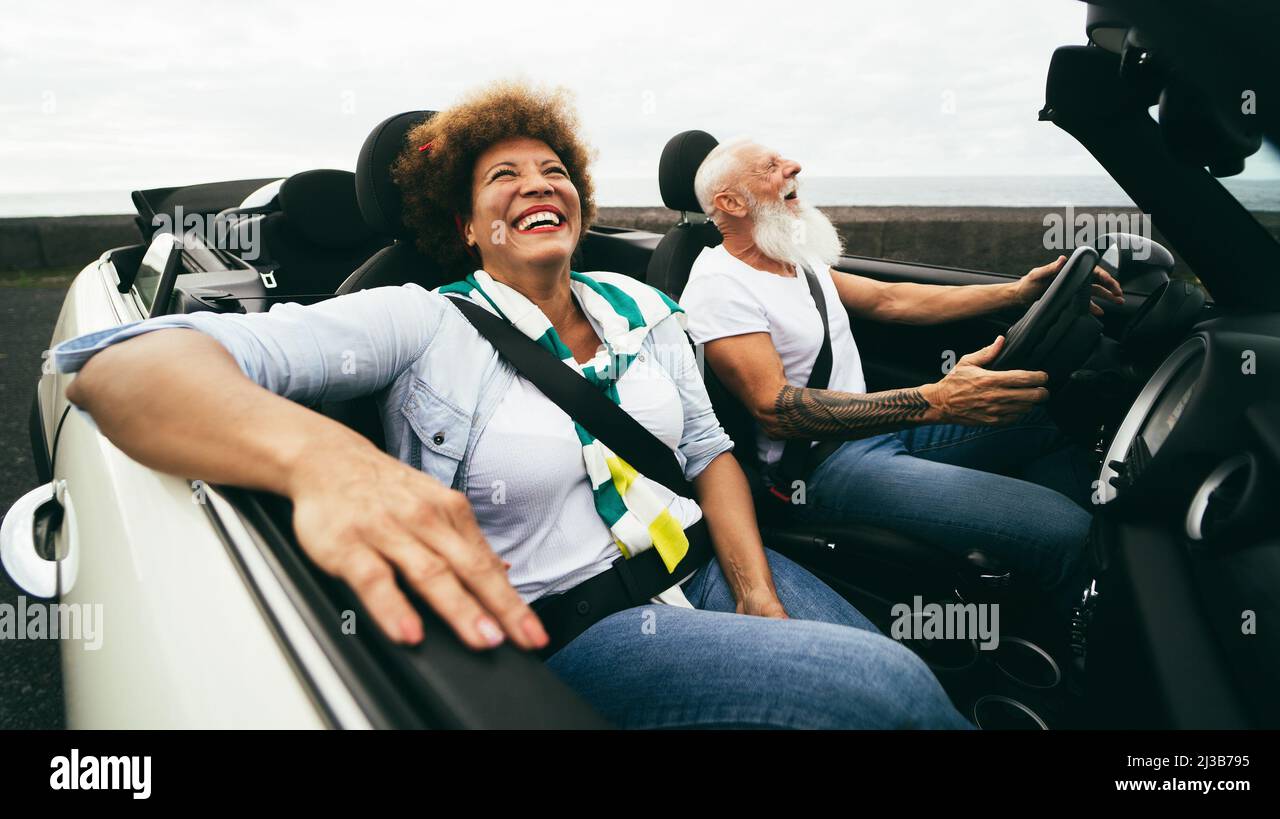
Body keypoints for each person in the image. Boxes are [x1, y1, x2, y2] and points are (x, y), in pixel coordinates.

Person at [54, 84, 969, 729]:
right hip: (582, 631)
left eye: (552, 169)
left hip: (708, 567)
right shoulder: (421, 321)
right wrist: (318, 459)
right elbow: (124, 369)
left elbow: (704, 450)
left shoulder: (644, 307)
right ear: (464, 225)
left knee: (917, 680)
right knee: (887, 694)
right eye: (503, 177)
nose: (537, 183)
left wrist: (755, 590)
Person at [679, 137, 1126, 608]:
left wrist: (1017, 292)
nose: (793, 165)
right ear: (730, 202)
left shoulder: (793, 260)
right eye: (771, 166)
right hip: (823, 468)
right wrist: (936, 400)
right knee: (1069, 531)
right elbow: (776, 409)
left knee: (1048, 416)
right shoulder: (719, 286)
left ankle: (1029, 588)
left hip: (880, 433)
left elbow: (891, 300)